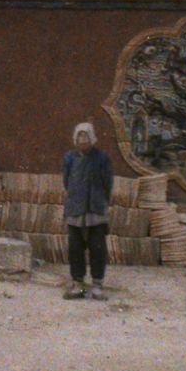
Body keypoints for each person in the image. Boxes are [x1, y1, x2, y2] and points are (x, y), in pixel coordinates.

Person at [62, 121, 114, 300]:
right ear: (75, 139)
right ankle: (78, 284)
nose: (83, 140)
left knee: (97, 246)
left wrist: (100, 202)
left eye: (86, 136)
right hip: (75, 208)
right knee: (75, 247)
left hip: (96, 209)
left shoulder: (102, 158)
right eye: (79, 136)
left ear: (92, 138)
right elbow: (67, 182)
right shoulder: (69, 158)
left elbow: (108, 184)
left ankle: (97, 284)